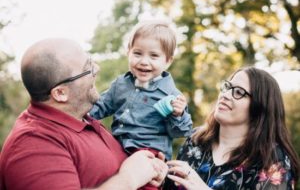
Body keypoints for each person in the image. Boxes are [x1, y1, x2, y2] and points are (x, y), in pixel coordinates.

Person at [0, 38, 168, 190]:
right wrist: (129, 179)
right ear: (60, 93)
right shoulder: (33, 144)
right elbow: (128, 176)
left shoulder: (80, 118)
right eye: (87, 68)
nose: (97, 68)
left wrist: (150, 169)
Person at [164, 66, 300, 189]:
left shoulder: (273, 160)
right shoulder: (196, 140)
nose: (226, 95)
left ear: (260, 107)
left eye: (239, 92)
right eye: (227, 87)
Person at [90, 20, 193, 162]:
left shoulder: (172, 96)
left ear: (168, 61)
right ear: (128, 53)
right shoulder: (121, 84)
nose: (144, 61)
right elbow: (100, 107)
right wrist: (77, 113)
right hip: (117, 147)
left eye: (154, 56)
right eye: (138, 53)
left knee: (141, 178)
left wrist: (178, 114)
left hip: (149, 154)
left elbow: (179, 132)